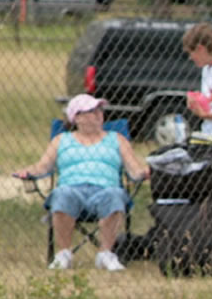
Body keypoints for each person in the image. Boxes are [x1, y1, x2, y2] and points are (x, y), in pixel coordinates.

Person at [12, 94, 150, 272]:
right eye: (92, 111)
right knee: (62, 195)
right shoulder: (61, 140)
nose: (99, 114)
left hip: (106, 191)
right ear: (77, 117)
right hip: (72, 190)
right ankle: (63, 255)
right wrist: (28, 172)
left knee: (116, 196)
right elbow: (43, 166)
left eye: (100, 110)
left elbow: (134, 170)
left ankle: (106, 254)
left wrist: (146, 172)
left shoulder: (117, 139)